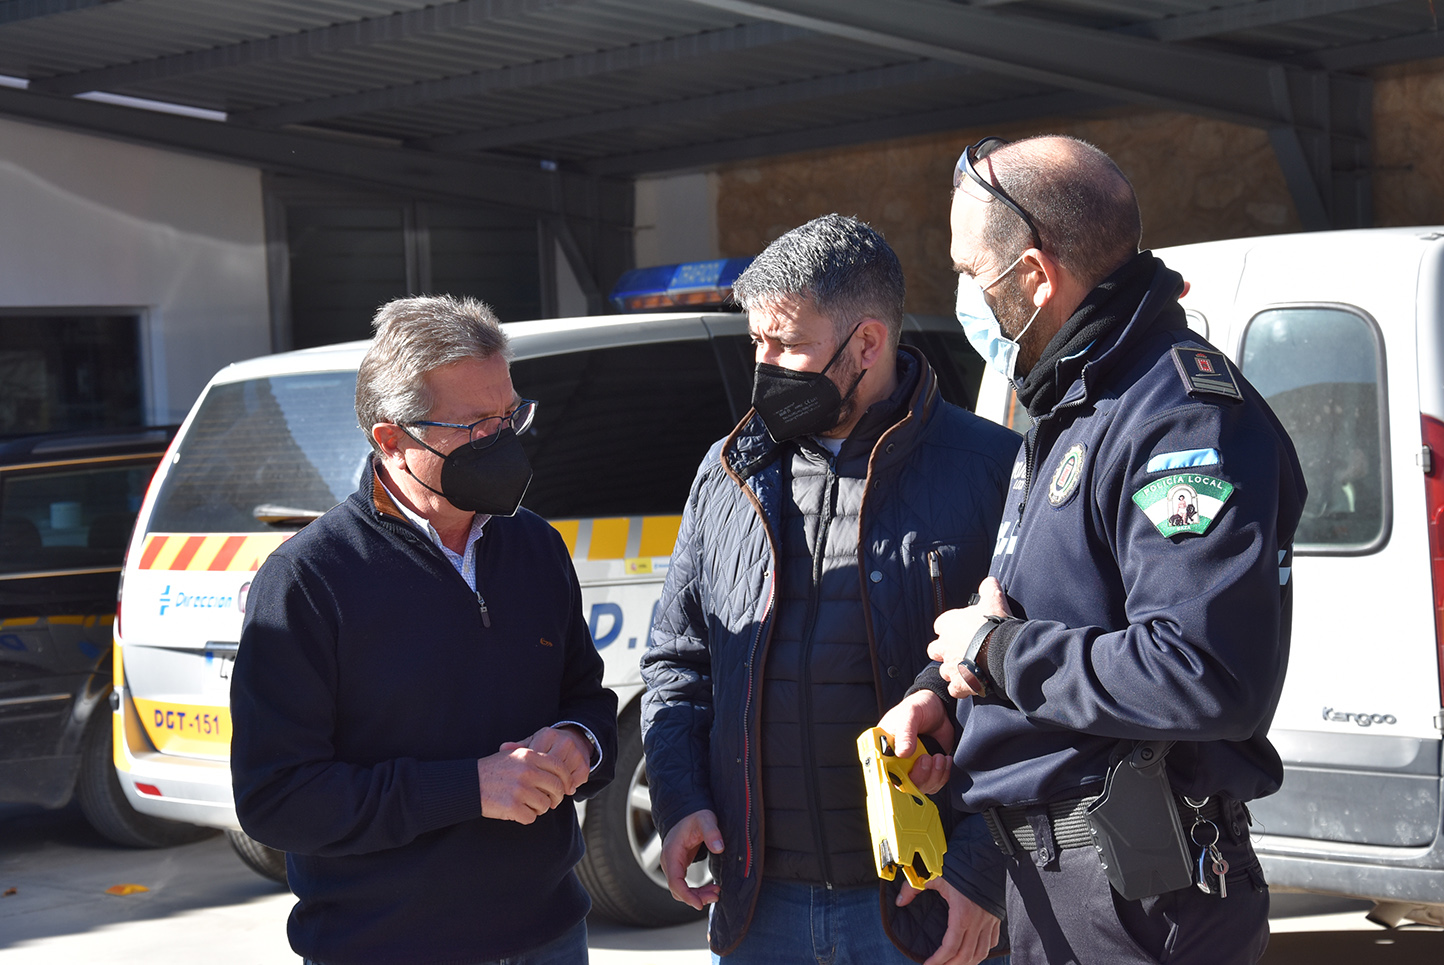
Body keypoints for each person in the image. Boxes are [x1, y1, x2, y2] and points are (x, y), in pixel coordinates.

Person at [882, 135, 1306, 964]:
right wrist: (948, 688)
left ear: (1036, 276)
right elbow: (1043, 606)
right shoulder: (1074, 402)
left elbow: (1201, 670)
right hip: (1056, 881)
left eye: (972, 272)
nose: (965, 293)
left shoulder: (1181, 417)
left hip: (1141, 897)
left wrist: (998, 654)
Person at [640, 214, 1020, 965]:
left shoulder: (994, 470)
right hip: (759, 910)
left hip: (923, 905)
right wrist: (680, 798)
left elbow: (1032, 697)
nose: (765, 366)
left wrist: (983, 872)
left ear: (867, 344)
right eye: (757, 342)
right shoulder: (729, 471)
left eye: (787, 344)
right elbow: (677, 662)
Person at [230, 295, 618, 965]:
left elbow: (588, 699)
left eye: (509, 416)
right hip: (387, 947)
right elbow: (278, 799)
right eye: (473, 426)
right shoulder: (309, 578)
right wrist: (470, 788)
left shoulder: (536, 547)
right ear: (391, 439)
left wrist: (579, 742)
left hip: (550, 937)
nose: (501, 441)